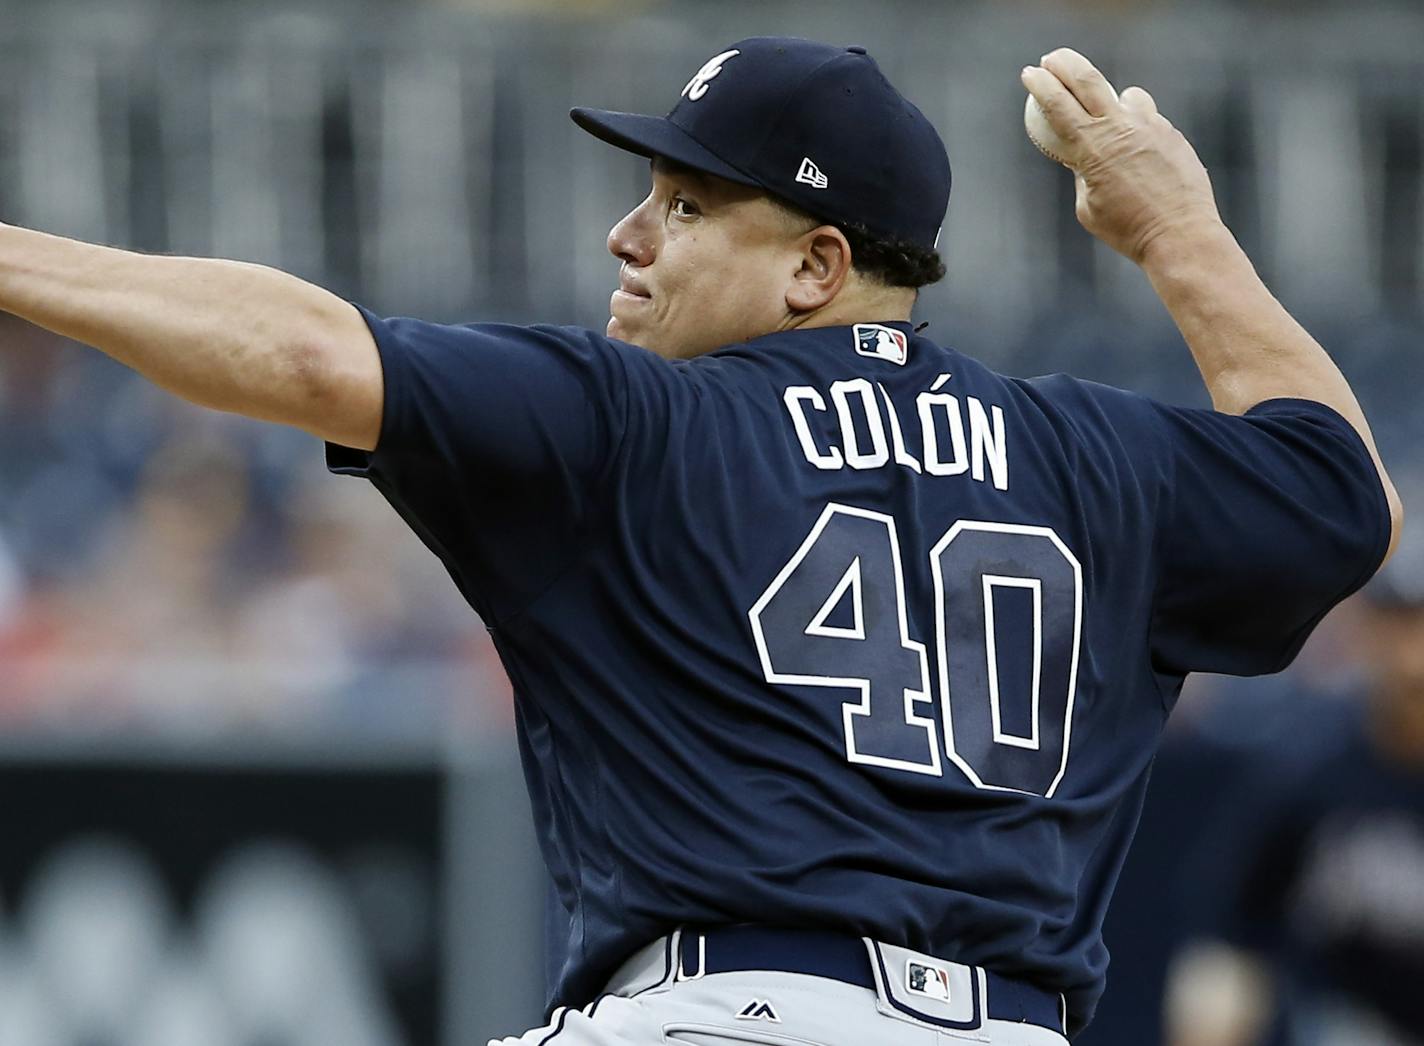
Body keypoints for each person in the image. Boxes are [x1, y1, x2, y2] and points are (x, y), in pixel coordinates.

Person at [0, 37, 1402, 1045]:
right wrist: (1177, 234)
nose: (628, 233)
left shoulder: (642, 420)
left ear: (815, 266)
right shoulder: (1101, 454)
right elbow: (1343, 493)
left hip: (729, 1007)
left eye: (685, 204)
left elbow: (304, 353)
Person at [1164, 544, 1424, 1046]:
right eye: (1401, 624)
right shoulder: (1313, 766)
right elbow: (1229, 939)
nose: (1415, 656)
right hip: (1359, 1019)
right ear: (1367, 631)